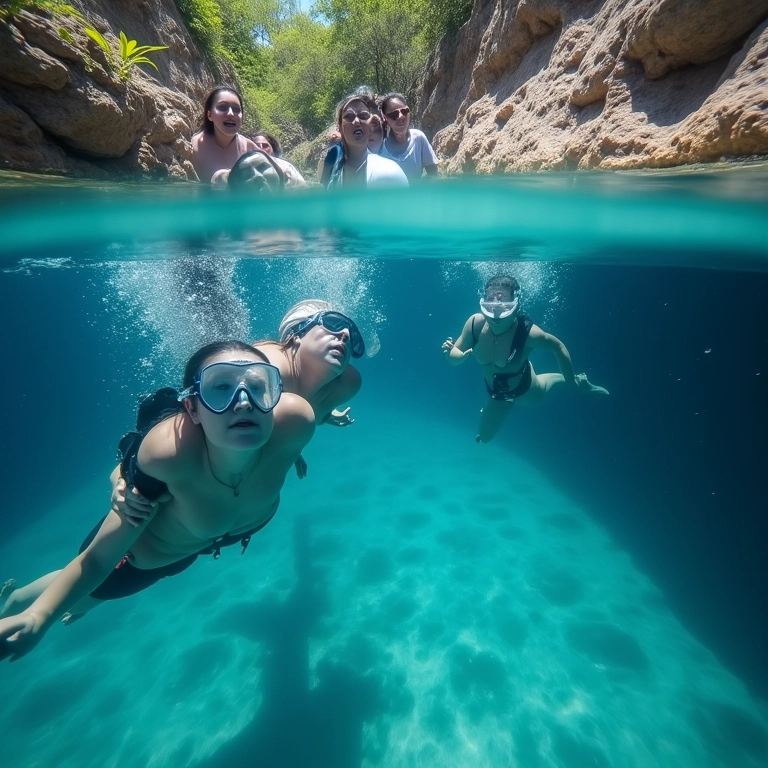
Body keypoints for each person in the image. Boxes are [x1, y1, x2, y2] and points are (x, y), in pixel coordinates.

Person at [0, 341, 315, 659]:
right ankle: (16, 601)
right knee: (83, 600)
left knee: (83, 602)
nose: (244, 402)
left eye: (258, 386)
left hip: (187, 550)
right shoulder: (170, 457)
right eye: (221, 388)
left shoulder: (295, 426)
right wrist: (38, 617)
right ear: (192, 408)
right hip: (131, 561)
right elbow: (97, 561)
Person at [109, 301, 364, 526]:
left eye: (350, 331)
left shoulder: (344, 383)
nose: (344, 335)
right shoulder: (262, 369)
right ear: (297, 335)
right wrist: (123, 476)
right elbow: (173, 432)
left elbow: (304, 408)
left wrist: (324, 417)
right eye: (332, 323)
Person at [442, 275, 609, 444]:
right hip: (497, 395)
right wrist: (455, 355)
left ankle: (575, 380)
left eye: (505, 307)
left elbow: (558, 347)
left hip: (527, 390)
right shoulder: (474, 325)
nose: (496, 316)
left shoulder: (528, 333)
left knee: (546, 385)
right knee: (484, 438)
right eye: (490, 307)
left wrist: (572, 383)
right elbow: (454, 357)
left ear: (516, 306)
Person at [326, 92, 408, 189]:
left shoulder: (390, 173)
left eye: (363, 116)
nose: (357, 121)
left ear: (370, 126)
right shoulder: (334, 176)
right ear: (339, 127)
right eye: (349, 116)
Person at [190, 87, 259, 184]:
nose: (231, 113)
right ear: (209, 115)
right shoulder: (192, 148)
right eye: (222, 107)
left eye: (236, 109)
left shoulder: (251, 150)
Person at [379, 92, 438, 181]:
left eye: (404, 111)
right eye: (394, 115)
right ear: (385, 119)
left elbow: (433, 174)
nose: (400, 116)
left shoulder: (419, 138)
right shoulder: (379, 147)